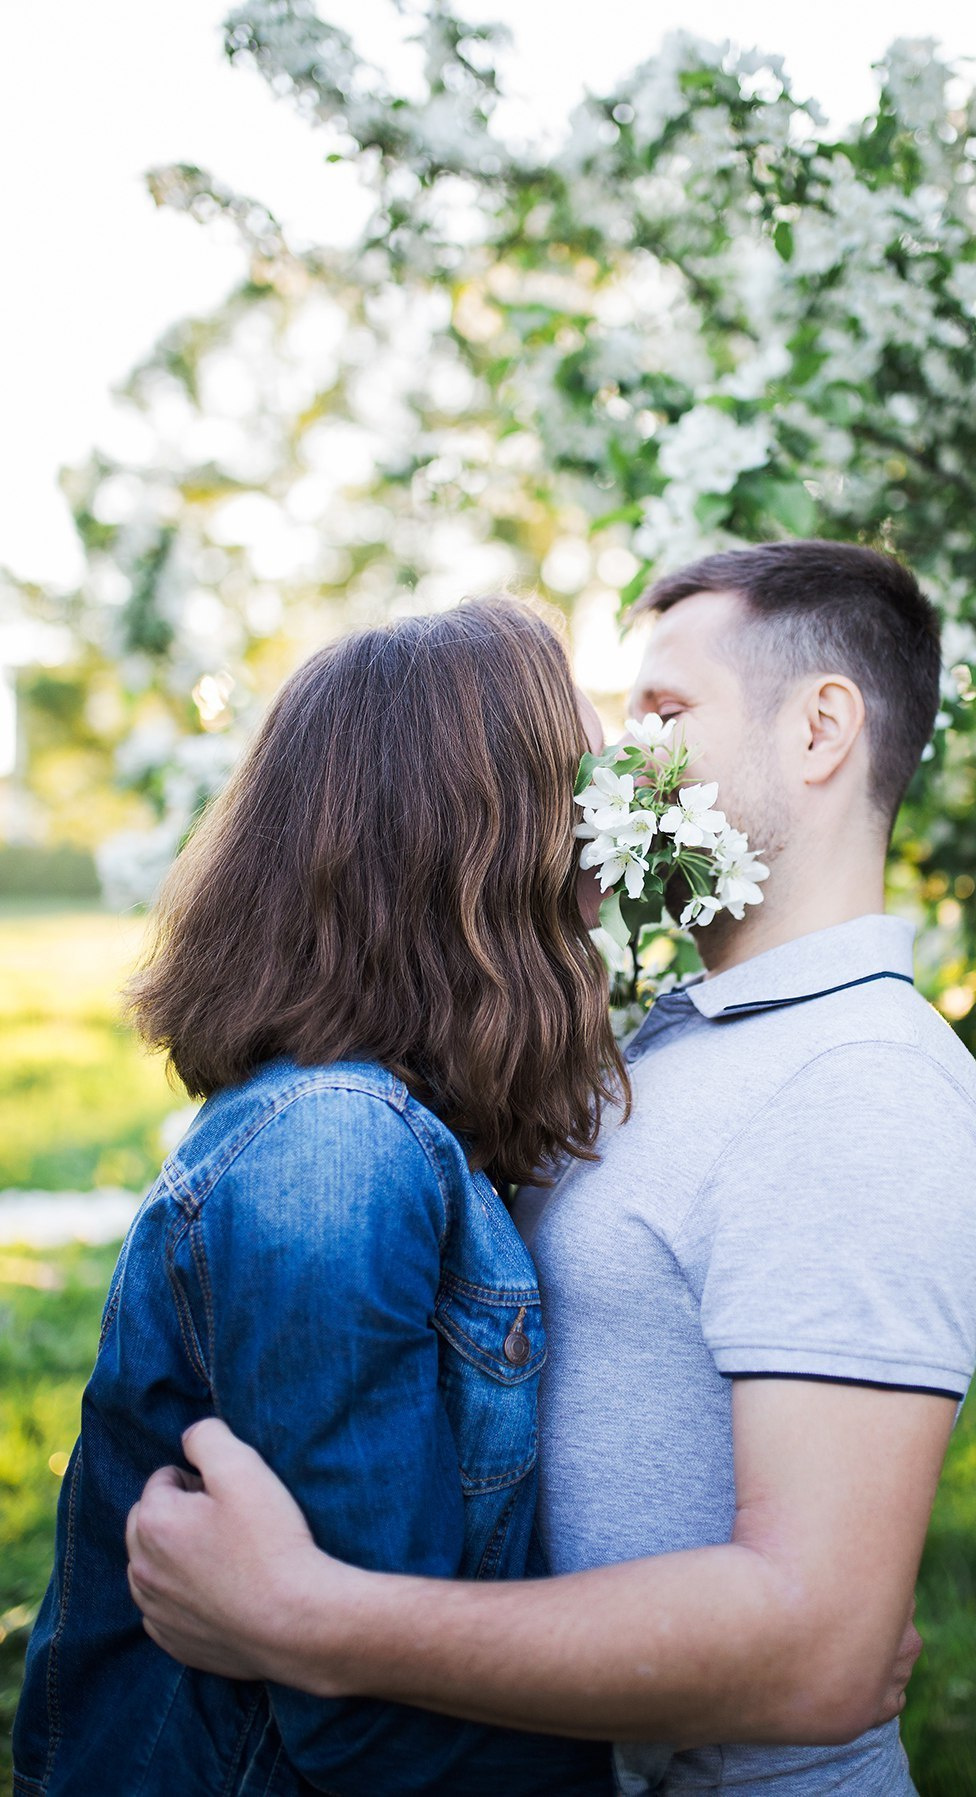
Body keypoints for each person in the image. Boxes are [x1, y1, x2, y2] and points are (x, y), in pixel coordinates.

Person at [120, 540, 976, 1796]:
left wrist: (307, 1620)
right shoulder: (673, 1045)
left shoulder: (856, 1086)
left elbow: (818, 1647)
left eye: (663, 713)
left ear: (821, 730)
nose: (612, 770)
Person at [15, 599, 624, 1794]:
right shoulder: (332, 1156)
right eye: (585, 790)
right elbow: (375, 1725)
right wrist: (705, 1713)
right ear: (490, 843)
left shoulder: (389, 1131)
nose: (614, 827)